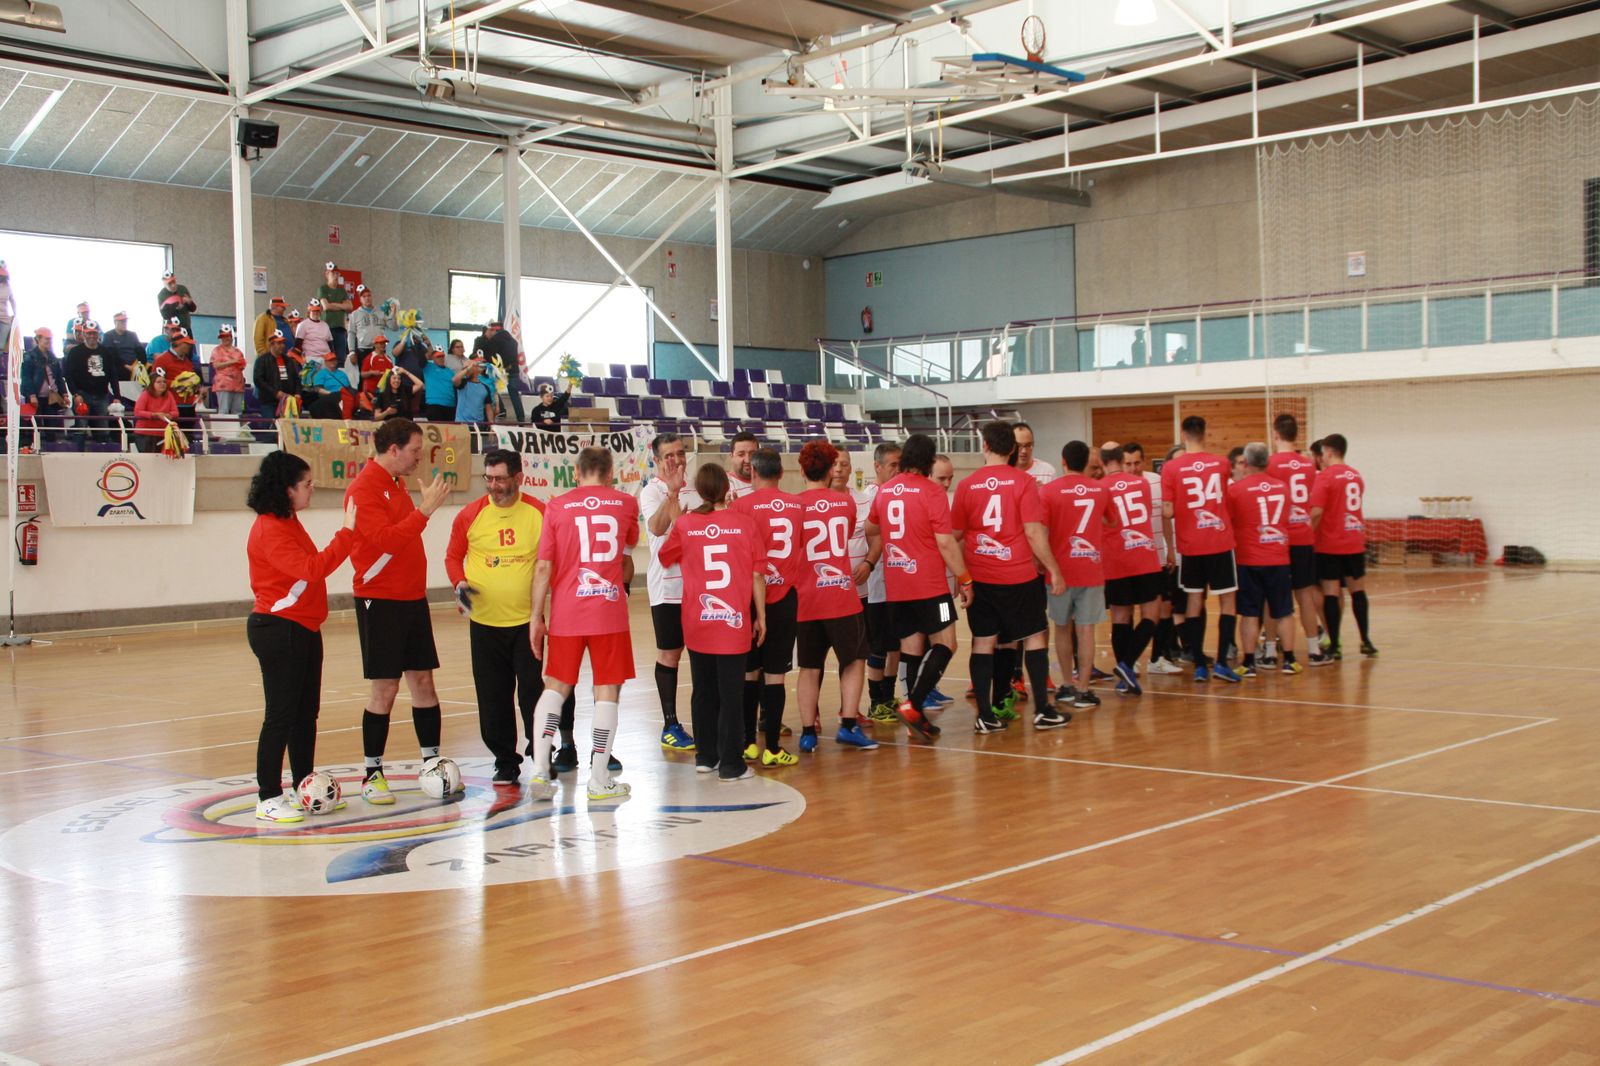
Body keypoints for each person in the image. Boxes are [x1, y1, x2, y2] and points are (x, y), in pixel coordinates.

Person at [344, 418, 455, 804]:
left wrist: (420, 510)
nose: (418, 458)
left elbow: (406, 535)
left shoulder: (396, 485)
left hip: (411, 597)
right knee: (386, 688)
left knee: (423, 681)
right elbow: (385, 541)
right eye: (414, 451)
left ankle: (432, 763)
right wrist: (424, 511)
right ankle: (372, 774)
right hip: (381, 599)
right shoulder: (363, 490)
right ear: (393, 449)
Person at [245, 451, 358, 822]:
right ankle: (267, 796)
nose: (312, 490)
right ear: (286, 488)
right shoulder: (269, 528)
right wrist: (347, 533)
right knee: (280, 714)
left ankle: (302, 786)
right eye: (306, 485)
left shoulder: (289, 519)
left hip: (305, 627)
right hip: (278, 628)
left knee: (305, 714)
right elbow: (312, 569)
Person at [527, 446, 639, 801]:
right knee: (607, 690)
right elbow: (625, 560)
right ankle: (599, 779)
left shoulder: (557, 506)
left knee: (555, 687)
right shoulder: (625, 504)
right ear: (610, 474)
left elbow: (544, 567)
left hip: (567, 612)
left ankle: (540, 771)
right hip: (608, 612)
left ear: (576, 473)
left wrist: (535, 615)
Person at [446, 447, 556, 784]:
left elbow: (556, 561)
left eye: (500, 479)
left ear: (518, 479)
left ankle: (541, 754)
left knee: (532, 693)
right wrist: (459, 583)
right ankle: (505, 760)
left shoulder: (540, 513)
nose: (493, 485)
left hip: (527, 623)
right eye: (488, 478)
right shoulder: (470, 515)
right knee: (493, 695)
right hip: (484, 624)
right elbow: (453, 557)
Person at [952, 422, 1066, 731]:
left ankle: (985, 716)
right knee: (1034, 636)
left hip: (980, 576)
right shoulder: (1024, 482)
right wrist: (1053, 568)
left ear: (985, 446)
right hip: (1018, 575)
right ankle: (1043, 709)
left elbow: (955, 535)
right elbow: (1032, 532)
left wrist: (958, 576)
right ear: (1013, 449)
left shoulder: (966, 485)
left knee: (983, 642)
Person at [660, 464, 768, 781]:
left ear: (700, 491)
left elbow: (666, 557)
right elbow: (758, 575)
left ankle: (706, 757)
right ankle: (732, 764)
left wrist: (675, 509)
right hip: (733, 621)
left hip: (697, 620)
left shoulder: (686, 525)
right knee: (731, 694)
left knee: (703, 691)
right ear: (727, 489)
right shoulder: (744, 524)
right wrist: (760, 616)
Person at [864, 433, 973, 738]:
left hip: (897, 584)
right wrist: (965, 579)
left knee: (911, 648)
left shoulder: (884, 491)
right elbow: (945, 542)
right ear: (928, 462)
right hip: (929, 584)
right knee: (947, 643)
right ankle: (914, 704)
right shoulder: (932, 491)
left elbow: (869, 527)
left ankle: (916, 718)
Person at [793, 439, 876, 751]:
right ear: (830, 470)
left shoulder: (793, 505)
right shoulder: (846, 503)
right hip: (841, 595)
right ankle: (848, 724)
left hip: (806, 598)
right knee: (854, 660)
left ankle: (807, 733)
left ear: (802, 470)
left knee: (809, 667)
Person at [729, 447, 805, 767]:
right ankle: (773, 747)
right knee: (776, 676)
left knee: (749, 672)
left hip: (750, 597)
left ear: (753, 473)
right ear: (782, 473)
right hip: (784, 595)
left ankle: (748, 743)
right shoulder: (798, 506)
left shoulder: (741, 506)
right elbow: (799, 545)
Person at [1161, 415, 1242, 683]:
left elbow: (1168, 511)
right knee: (1228, 601)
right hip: (1220, 542)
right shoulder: (1221, 464)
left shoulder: (1171, 469)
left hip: (1191, 545)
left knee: (1194, 602)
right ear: (1204, 433)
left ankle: (1198, 664)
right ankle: (1221, 663)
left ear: (1183, 434)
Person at [639, 433, 700, 752]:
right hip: (667, 587)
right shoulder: (651, 492)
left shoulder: (698, 489)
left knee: (704, 654)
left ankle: (705, 720)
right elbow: (658, 527)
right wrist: (672, 495)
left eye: (680, 453)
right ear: (657, 461)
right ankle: (670, 723)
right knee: (670, 653)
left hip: (698, 585)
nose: (676, 460)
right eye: (669, 456)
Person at [1041, 441, 1110, 710]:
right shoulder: (1101, 489)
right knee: (1085, 631)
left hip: (1059, 570)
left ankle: (1067, 686)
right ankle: (1083, 688)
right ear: (1087, 463)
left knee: (1061, 627)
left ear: (1063, 461)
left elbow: (1042, 531)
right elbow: (1111, 520)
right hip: (1090, 569)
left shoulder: (1048, 491)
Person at [1227, 442, 1301, 677]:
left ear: (1245, 463)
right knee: (1284, 611)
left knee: (1249, 613)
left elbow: (1230, 521)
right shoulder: (1282, 487)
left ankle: (1248, 663)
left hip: (1248, 559)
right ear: (1268, 462)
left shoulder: (1236, 490)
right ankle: (1289, 659)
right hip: (1278, 557)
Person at [1098, 444, 1163, 694]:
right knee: (1151, 615)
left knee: (1120, 617)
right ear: (1121, 460)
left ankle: (1125, 673)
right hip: (1143, 554)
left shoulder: (1099, 488)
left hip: (1114, 559)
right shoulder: (1143, 484)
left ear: (1103, 463)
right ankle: (1126, 665)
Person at [1310, 433, 1376, 661]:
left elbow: (1317, 511)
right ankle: (1366, 640)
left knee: (1331, 593)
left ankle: (1335, 644)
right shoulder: (1356, 476)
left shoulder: (1325, 477)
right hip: (1355, 541)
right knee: (1358, 591)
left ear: (1328, 452)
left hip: (1330, 543)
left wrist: (1308, 533)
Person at [1267, 414, 1324, 663]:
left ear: (1275, 434)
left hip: (1278, 539)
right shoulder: (1309, 464)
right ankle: (1313, 649)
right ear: (1296, 435)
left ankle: (1269, 651)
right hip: (1303, 536)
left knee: (1272, 596)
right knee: (1305, 595)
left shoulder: (1270, 464)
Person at [1121, 441, 1181, 675]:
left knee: (1164, 608)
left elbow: (1165, 517)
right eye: (1128, 463)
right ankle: (1129, 660)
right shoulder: (1117, 486)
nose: (1133, 468)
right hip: (1130, 559)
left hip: (1157, 556)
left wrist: (1170, 548)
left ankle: (1157, 658)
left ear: (1144, 462)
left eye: (1137, 463)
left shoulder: (1156, 481)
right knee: (1128, 612)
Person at [63, 319, 118, 447]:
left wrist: (117, 396)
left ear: (98, 334)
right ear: (83, 334)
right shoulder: (75, 352)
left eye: (94, 333)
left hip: (102, 396)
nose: (92, 336)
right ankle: (78, 457)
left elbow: (113, 375)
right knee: (81, 429)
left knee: (103, 430)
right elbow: (68, 375)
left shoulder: (106, 352)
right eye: (88, 333)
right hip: (83, 395)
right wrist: (75, 394)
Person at [471, 318, 525, 424]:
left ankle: (497, 411)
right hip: (513, 370)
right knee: (514, 395)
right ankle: (521, 418)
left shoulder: (495, 339)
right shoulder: (513, 340)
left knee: (491, 390)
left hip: (496, 370)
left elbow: (483, 352)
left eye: (492, 330)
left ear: (494, 330)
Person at [20, 327, 67, 444]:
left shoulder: (52, 357)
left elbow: (59, 378)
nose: (49, 342)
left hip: (51, 398)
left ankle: (51, 449)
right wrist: (31, 395)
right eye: (47, 339)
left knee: (51, 428)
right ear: (38, 339)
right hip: (36, 397)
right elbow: (26, 377)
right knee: (35, 427)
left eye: (50, 339)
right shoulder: (29, 356)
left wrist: (64, 394)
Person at [252, 330, 302, 416]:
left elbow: (296, 379)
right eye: (279, 343)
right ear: (271, 344)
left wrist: (297, 393)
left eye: (283, 343)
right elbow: (258, 380)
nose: (282, 346)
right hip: (269, 402)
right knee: (271, 426)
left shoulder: (289, 361)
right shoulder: (261, 360)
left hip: (288, 401)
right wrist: (275, 393)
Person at [209, 324, 247, 431]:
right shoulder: (216, 350)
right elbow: (216, 365)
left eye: (227, 336)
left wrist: (233, 363)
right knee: (224, 410)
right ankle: (222, 432)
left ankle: (237, 432)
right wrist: (233, 362)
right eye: (223, 336)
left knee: (238, 410)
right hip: (223, 385)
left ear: (231, 337)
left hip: (238, 384)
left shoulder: (238, 351)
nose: (225, 338)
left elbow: (242, 365)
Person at [133, 368, 179, 452]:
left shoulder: (169, 395)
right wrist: (155, 415)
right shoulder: (145, 394)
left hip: (163, 433)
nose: (162, 384)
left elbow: (175, 412)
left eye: (164, 382)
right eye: (159, 382)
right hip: (145, 433)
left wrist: (169, 415)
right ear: (152, 383)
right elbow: (138, 412)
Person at [347, 285, 395, 364]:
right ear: (360, 299)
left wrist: (393, 313)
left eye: (369, 295)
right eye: (364, 296)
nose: (367, 298)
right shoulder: (354, 314)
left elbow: (394, 327)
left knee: (381, 374)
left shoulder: (381, 313)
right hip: (363, 350)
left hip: (380, 349)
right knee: (365, 375)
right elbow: (351, 333)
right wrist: (352, 351)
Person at [452, 353, 496, 439]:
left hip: (478, 425)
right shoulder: (463, 384)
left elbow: (488, 408)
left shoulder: (485, 387)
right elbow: (455, 379)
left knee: (477, 450)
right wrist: (468, 367)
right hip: (462, 425)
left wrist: (491, 426)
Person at [318, 262, 353, 360]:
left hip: (341, 328)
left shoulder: (342, 291)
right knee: (329, 357)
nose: (336, 276)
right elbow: (326, 306)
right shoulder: (323, 289)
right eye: (333, 273)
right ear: (326, 274)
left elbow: (349, 306)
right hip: (327, 328)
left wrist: (333, 304)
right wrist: (342, 306)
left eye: (337, 274)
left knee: (341, 358)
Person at [304, 350, 353, 420]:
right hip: (331, 397)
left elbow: (349, 387)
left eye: (334, 360)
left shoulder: (342, 373)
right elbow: (318, 389)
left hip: (345, 396)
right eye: (330, 360)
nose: (332, 362)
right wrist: (332, 393)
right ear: (325, 362)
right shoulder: (321, 373)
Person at [420, 347, 457, 422]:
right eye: (438, 357)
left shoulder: (450, 371)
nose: (441, 358)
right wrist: (428, 344)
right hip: (434, 404)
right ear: (433, 358)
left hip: (450, 405)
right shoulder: (428, 367)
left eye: (442, 356)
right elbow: (422, 359)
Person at [103, 312, 144, 378]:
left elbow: (141, 352)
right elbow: (111, 355)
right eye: (121, 321)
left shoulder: (133, 335)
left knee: (145, 376)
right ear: (115, 322)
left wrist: (136, 365)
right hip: (118, 366)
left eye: (125, 321)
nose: (124, 323)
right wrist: (126, 366)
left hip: (135, 365)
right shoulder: (108, 335)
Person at [296, 298, 333, 365]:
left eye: (318, 311)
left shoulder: (325, 325)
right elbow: (298, 344)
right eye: (314, 310)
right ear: (309, 311)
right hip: (310, 359)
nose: (316, 313)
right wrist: (300, 360)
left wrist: (333, 356)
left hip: (326, 358)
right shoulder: (302, 325)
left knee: (325, 376)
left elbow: (330, 343)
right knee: (310, 376)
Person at [360, 333, 394, 403]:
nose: (383, 345)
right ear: (375, 345)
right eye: (381, 343)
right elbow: (362, 374)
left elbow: (392, 374)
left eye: (384, 343)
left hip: (384, 392)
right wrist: (372, 372)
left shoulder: (388, 358)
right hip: (371, 392)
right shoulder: (370, 358)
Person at [0, 260, 13, 352]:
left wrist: (15, 315)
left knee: (1, 346)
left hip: (4, 318)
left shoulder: (8, 287)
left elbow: (13, 301)